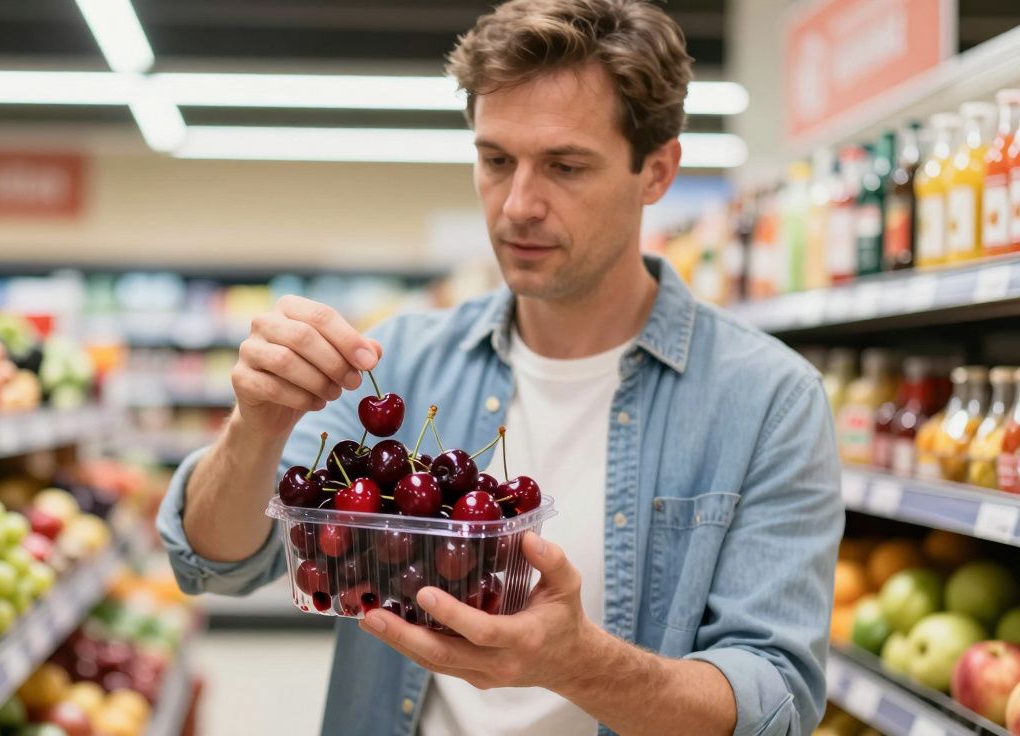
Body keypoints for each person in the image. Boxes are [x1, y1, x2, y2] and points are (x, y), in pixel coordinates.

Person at [157, 0, 843, 733]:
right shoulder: (402, 360)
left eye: (565, 166)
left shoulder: (769, 401)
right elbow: (219, 562)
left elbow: (778, 702)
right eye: (495, 160)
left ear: (658, 171)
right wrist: (255, 426)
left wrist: (578, 663)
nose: (518, 205)